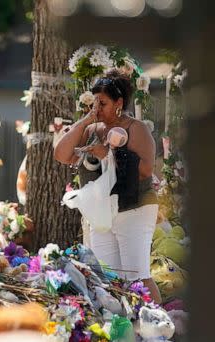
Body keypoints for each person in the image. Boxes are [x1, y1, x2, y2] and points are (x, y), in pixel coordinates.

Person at [54, 70, 161, 303]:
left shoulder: (137, 128)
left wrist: (110, 154)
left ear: (119, 103)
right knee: (107, 278)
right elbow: (61, 154)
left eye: (102, 103)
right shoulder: (92, 129)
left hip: (136, 208)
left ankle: (159, 329)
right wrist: (84, 122)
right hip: (102, 213)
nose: (97, 109)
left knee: (137, 276)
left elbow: (145, 170)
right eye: (94, 103)